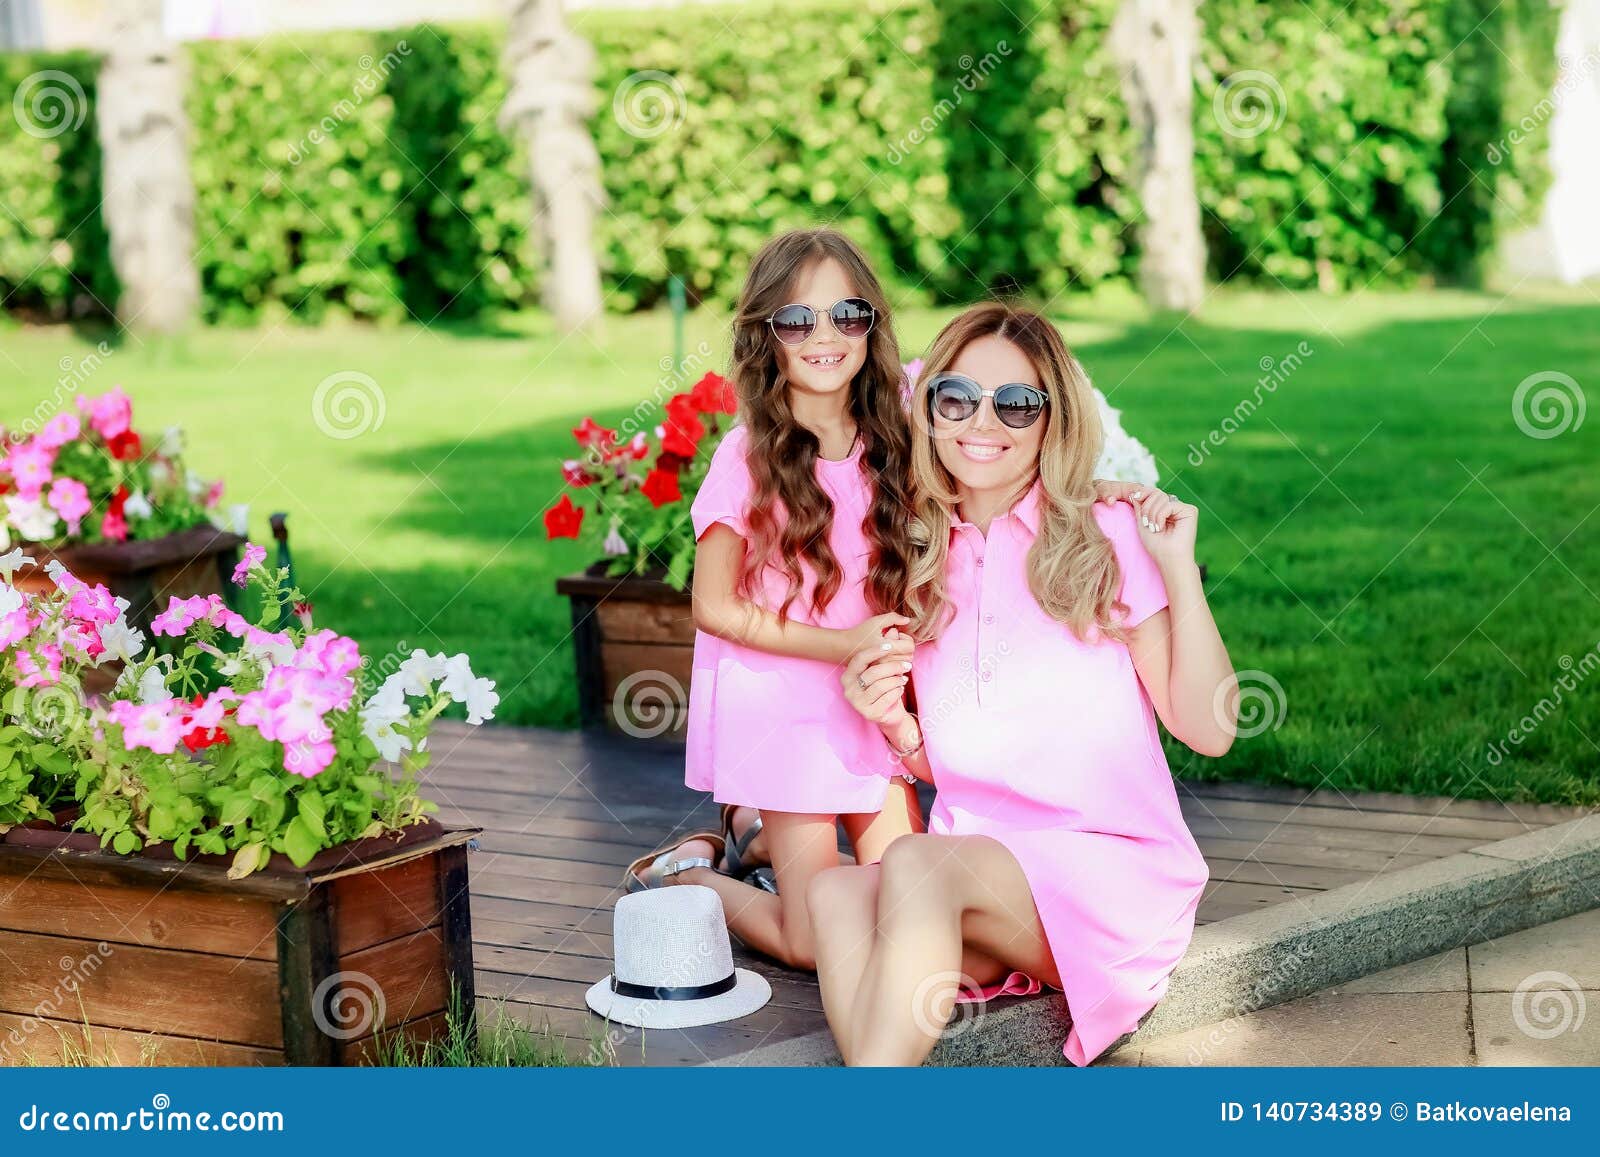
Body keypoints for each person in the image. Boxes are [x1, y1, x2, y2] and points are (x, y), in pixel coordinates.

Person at [811, 301, 1238, 1064]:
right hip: (990, 869)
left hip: (1110, 872)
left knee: (913, 862)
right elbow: (982, 766)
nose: (985, 421)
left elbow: (1210, 728)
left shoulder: (1102, 538)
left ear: (1051, 421)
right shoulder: (924, 562)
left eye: (1016, 403)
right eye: (958, 397)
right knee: (834, 893)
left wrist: (1178, 566)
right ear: (931, 411)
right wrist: (901, 731)